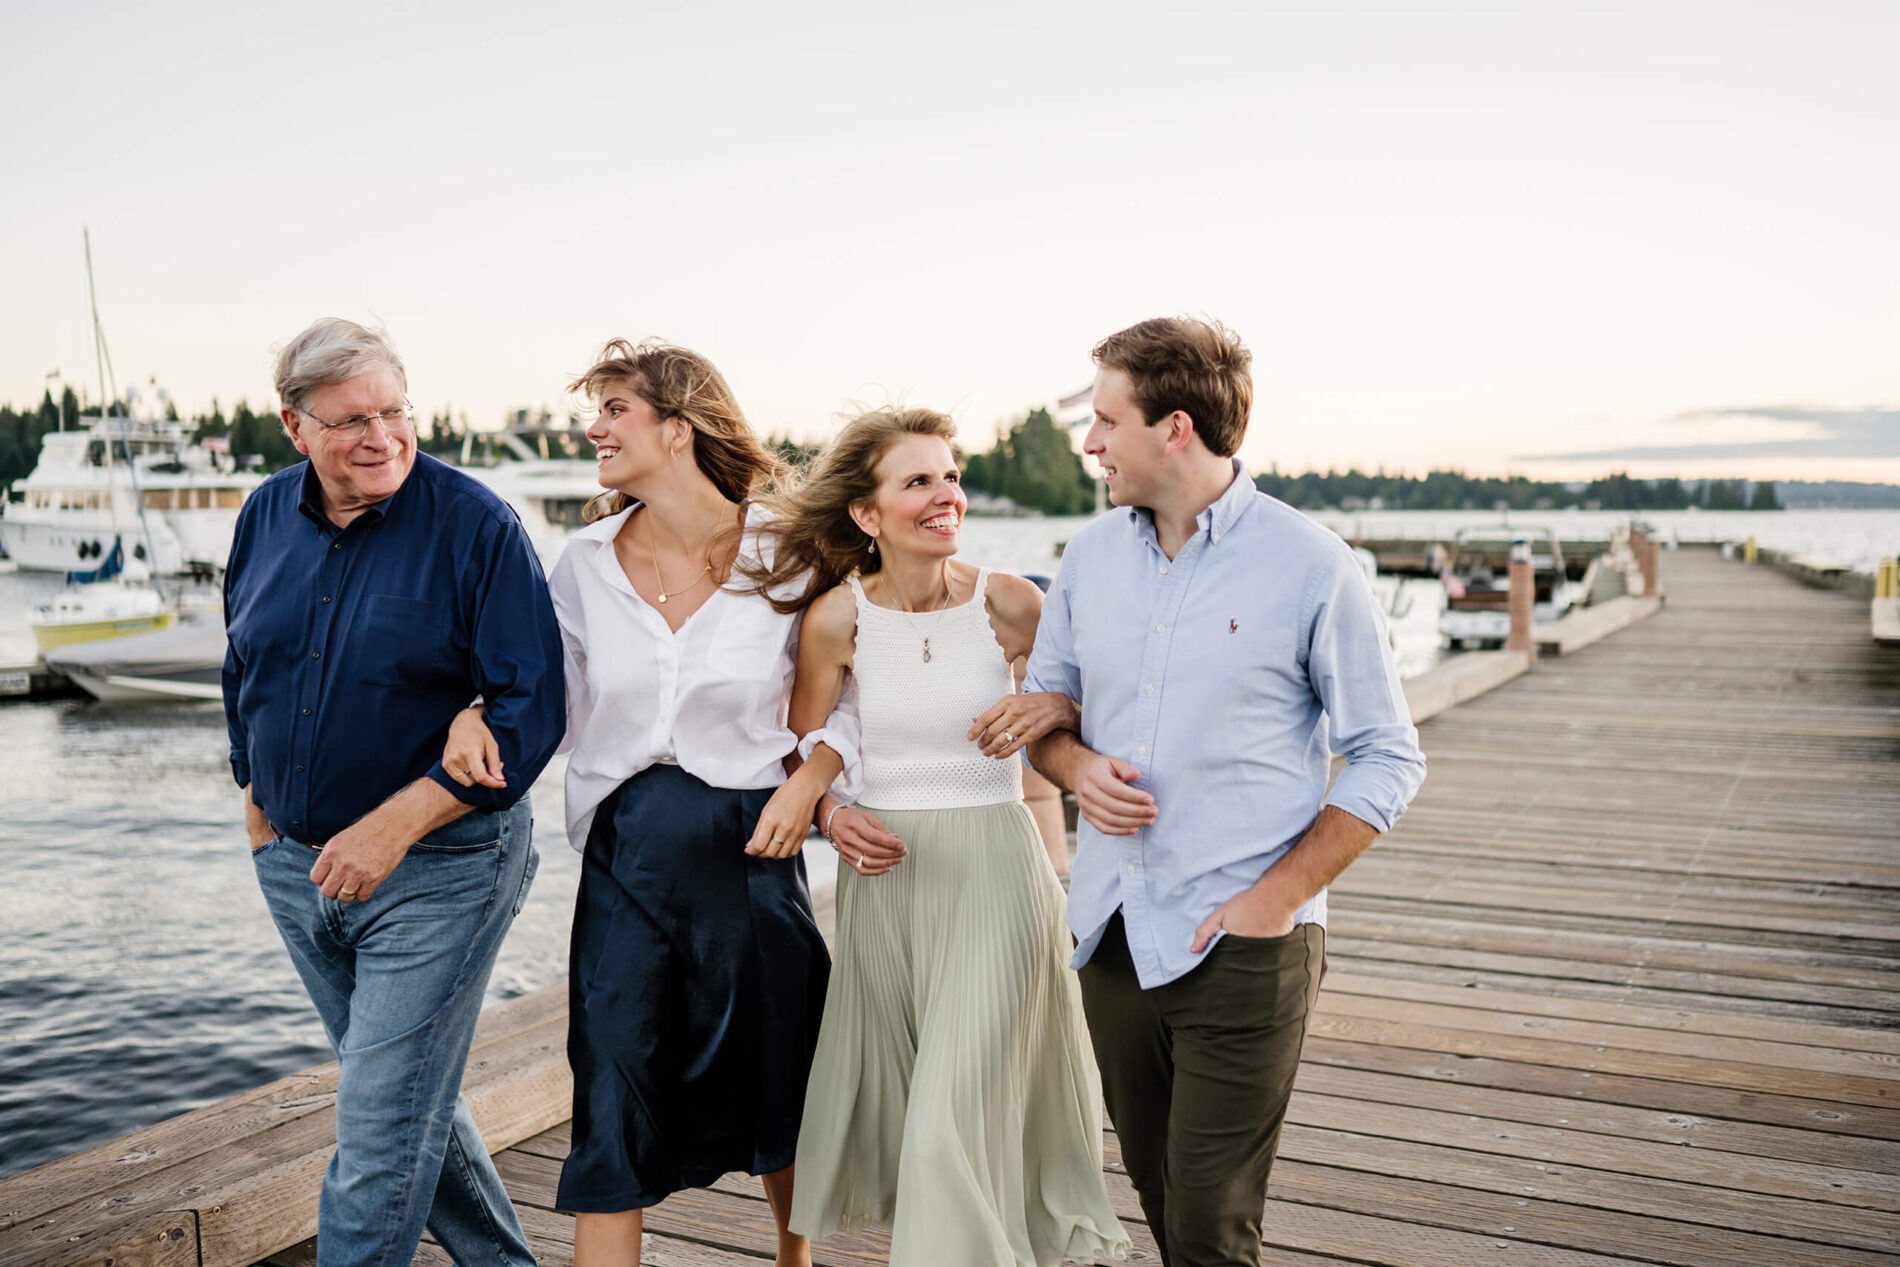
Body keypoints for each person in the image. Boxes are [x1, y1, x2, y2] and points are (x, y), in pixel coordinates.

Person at [443, 339, 888, 1267]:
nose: (592, 427)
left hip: (753, 857)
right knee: (612, 1096)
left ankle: (794, 1261)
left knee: (783, 1086)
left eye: (614, 410)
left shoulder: (791, 551)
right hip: (626, 863)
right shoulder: (583, 562)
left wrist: (813, 780)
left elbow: (852, 685)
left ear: (676, 429)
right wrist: (475, 712)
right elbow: (548, 698)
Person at [1025, 317, 1426, 1267]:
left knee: (1211, 1228)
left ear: (1174, 429)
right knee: (1167, 1206)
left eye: (1105, 421)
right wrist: (1078, 769)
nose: (1090, 443)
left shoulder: (1311, 563)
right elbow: (1046, 715)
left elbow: (1387, 754)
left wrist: (1272, 902)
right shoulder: (1086, 559)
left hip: (1246, 944)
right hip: (1113, 937)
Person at [740, 407, 1129, 1265]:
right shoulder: (837, 621)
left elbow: (1094, 710)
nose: (946, 493)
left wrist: (1053, 705)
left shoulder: (1012, 603)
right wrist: (835, 816)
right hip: (891, 889)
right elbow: (804, 755)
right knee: (941, 1116)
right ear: (867, 515)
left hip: (998, 877)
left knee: (949, 1118)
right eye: (918, 480)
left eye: (950, 475)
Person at [223, 318, 565, 1267]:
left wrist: (397, 821)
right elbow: (243, 662)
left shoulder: (478, 525)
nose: (380, 438)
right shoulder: (260, 517)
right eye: (349, 422)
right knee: (407, 1100)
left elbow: (533, 708)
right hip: (297, 871)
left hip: (442, 871)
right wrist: (253, 793)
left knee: (376, 1132)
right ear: (295, 428)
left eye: (394, 412)